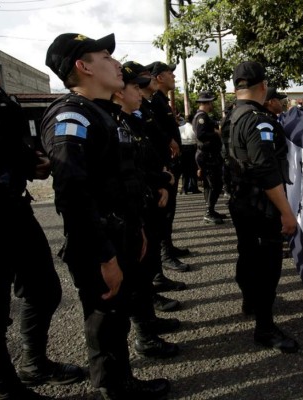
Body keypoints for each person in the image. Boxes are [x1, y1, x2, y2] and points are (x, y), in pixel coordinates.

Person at [40, 33, 170, 399]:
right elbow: (72, 196)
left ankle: (122, 381)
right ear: (83, 67)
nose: (116, 63)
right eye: (104, 56)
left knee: (117, 316)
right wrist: (104, 255)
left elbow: (123, 182)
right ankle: (115, 389)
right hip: (99, 242)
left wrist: (138, 231)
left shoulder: (105, 113)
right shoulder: (71, 116)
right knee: (106, 319)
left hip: (122, 233)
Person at [0, 82, 83, 399]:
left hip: (14, 205)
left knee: (43, 288)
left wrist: (30, 163)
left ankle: (33, 364)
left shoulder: (2, 95)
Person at [227, 61, 299, 353]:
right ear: (263, 86)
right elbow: (266, 171)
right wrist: (286, 212)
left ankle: (250, 301)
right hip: (260, 205)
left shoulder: (232, 115)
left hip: (240, 200)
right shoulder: (259, 120)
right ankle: (265, 328)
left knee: (247, 253)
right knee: (267, 265)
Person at [112, 65, 181, 358]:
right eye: (135, 87)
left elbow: (146, 158)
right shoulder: (112, 122)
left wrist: (162, 180)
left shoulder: (130, 120)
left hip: (147, 198)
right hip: (129, 211)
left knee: (145, 266)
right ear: (120, 92)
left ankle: (148, 324)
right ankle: (144, 337)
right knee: (136, 276)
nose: (140, 93)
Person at [122, 61, 188, 294]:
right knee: (151, 231)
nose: (146, 83)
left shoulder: (149, 104)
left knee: (161, 222)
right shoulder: (136, 110)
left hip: (159, 172)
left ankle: (158, 271)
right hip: (150, 178)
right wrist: (159, 176)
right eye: (139, 82)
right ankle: (157, 273)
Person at [146, 61, 190, 272]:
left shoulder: (162, 100)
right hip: (164, 162)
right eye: (169, 73)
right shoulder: (154, 101)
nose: (174, 76)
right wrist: (167, 142)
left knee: (170, 210)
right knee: (164, 212)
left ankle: (169, 247)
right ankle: (165, 254)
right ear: (159, 77)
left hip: (171, 161)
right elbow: (153, 133)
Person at [192, 90, 226, 224]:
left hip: (209, 154)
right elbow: (201, 135)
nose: (212, 104)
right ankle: (208, 211)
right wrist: (216, 133)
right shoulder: (202, 117)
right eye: (211, 102)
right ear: (206, 103)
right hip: (207, 155)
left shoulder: (204, 116)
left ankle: (210, 209)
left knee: (210, 184)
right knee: (214, 184)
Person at [179, 114, 200, 194]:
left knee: (185, 169)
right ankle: (194, 187)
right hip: (193, 148)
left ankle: (184, 188)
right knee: (193, 168)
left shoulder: (180, 128)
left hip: (183, 148)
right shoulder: (194, 128)